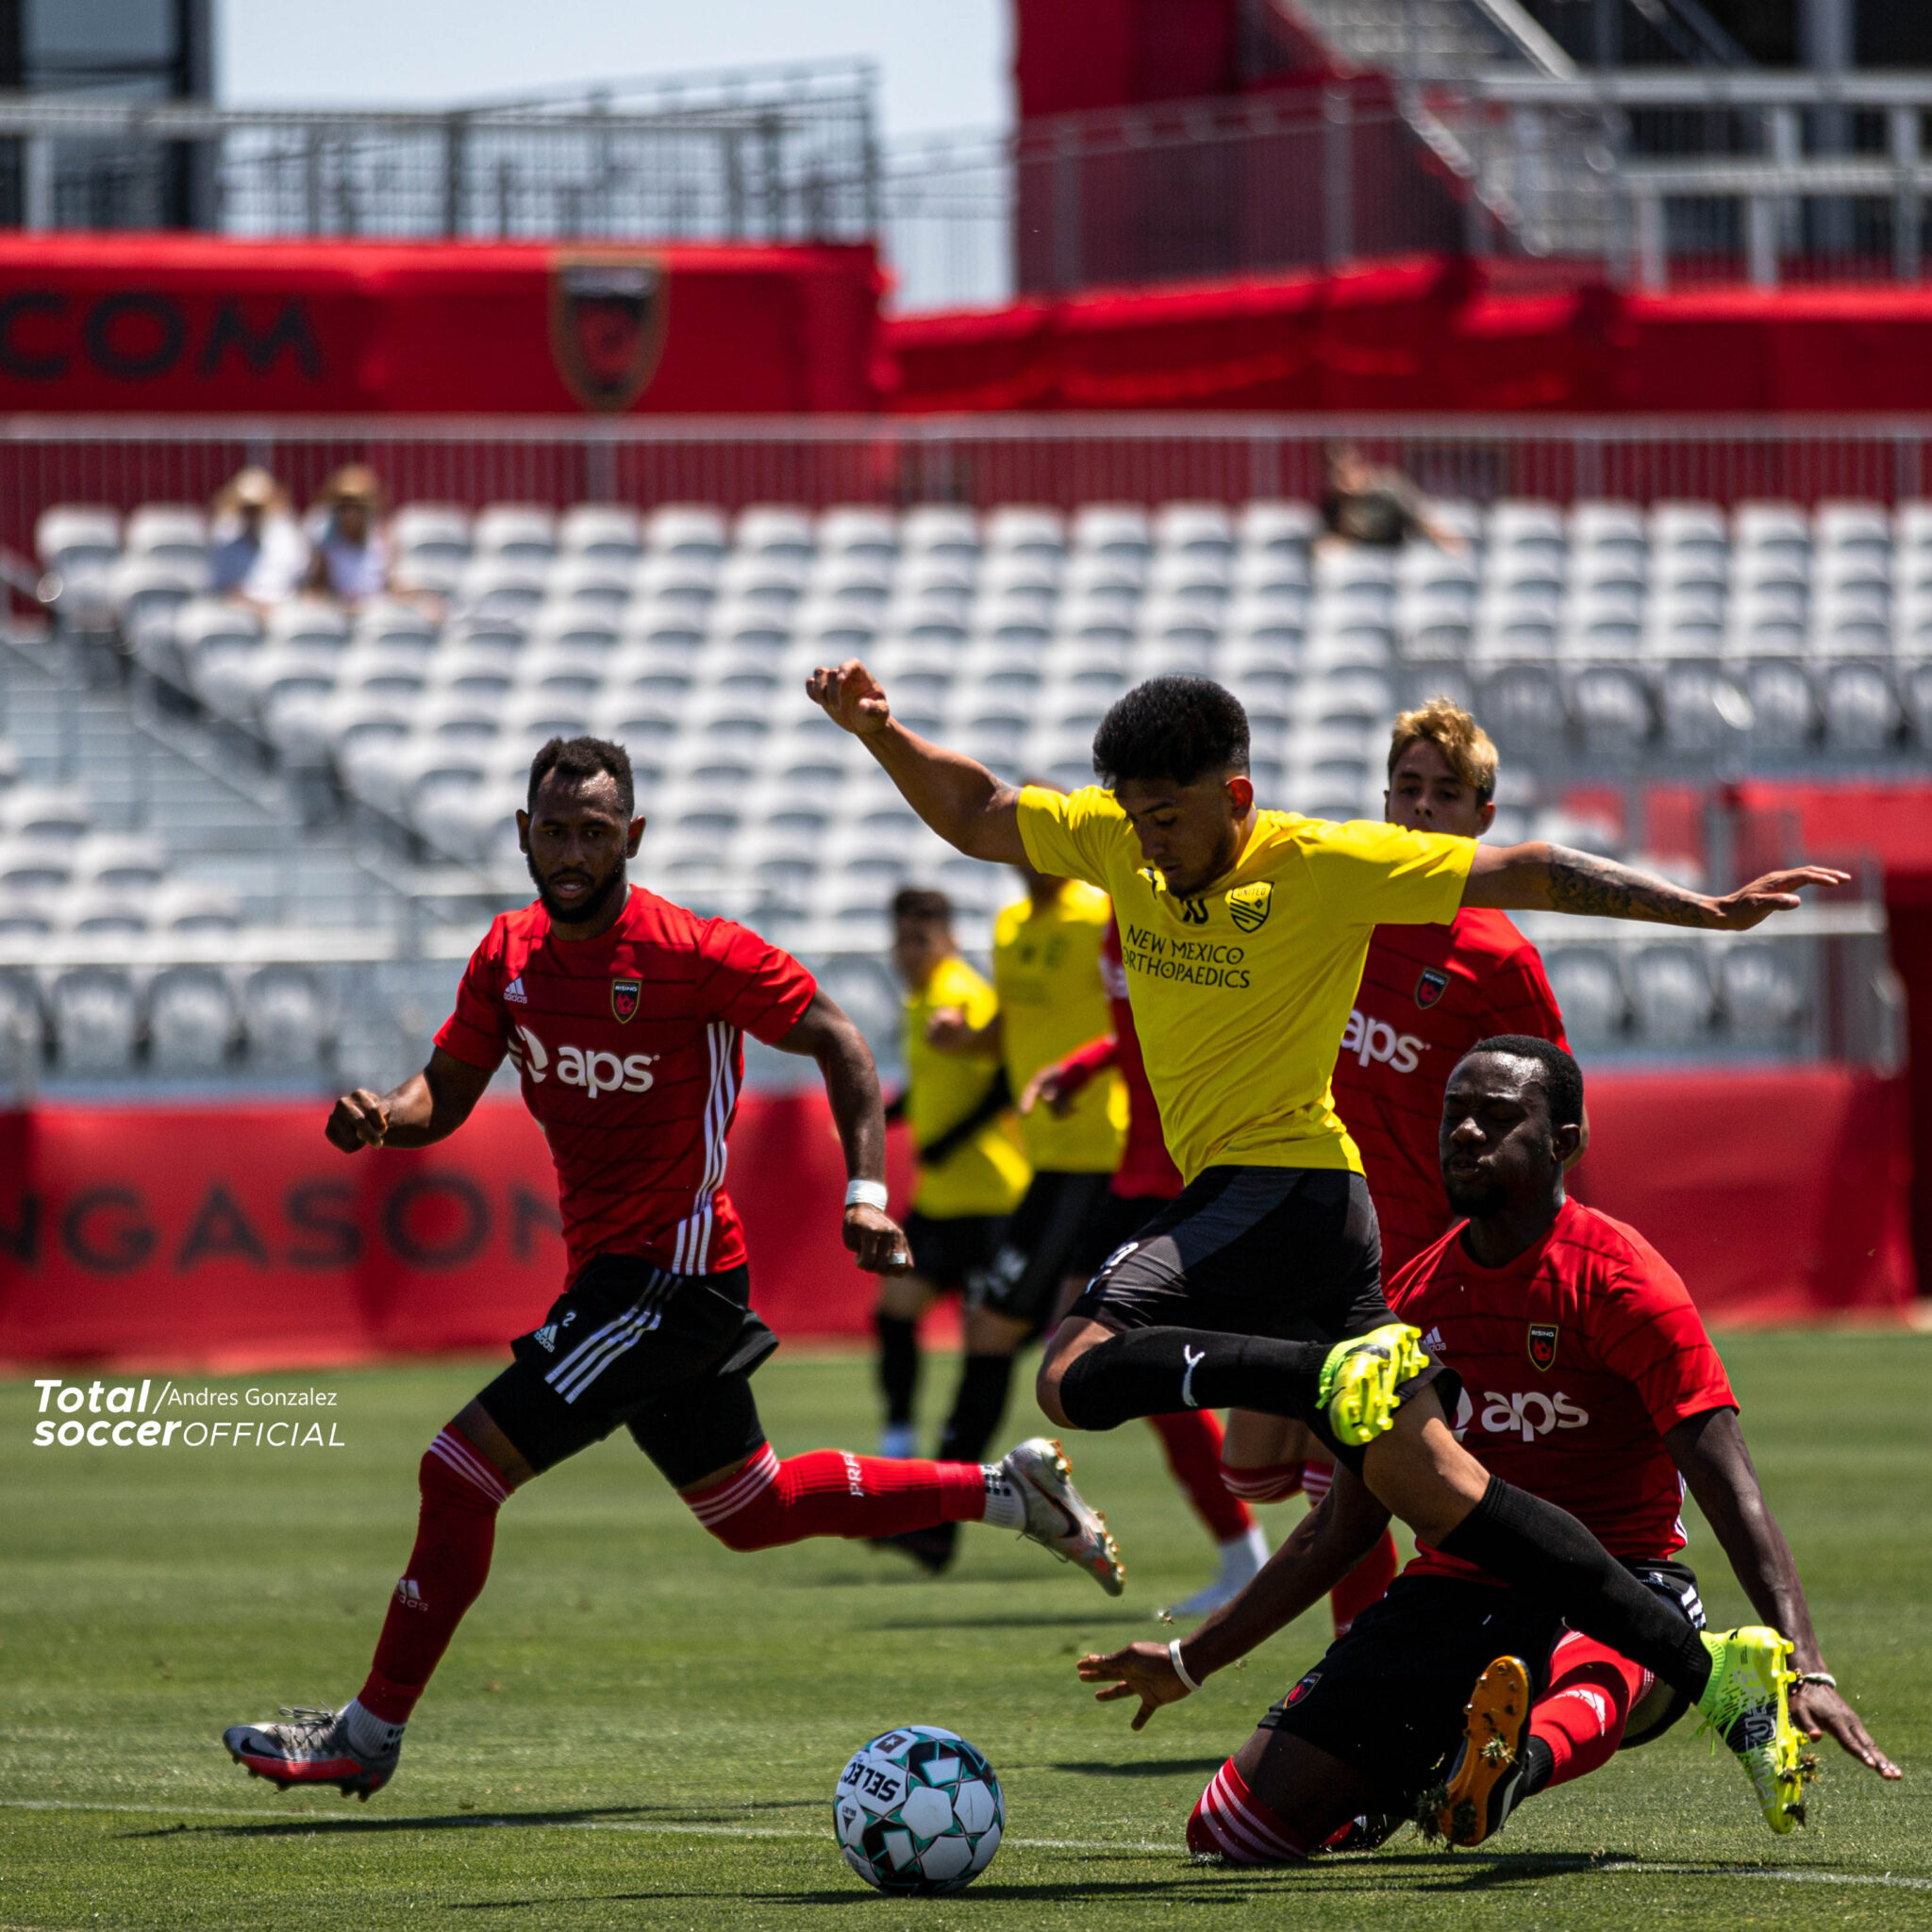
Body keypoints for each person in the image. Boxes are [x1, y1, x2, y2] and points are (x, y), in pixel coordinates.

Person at [805, 656, 1846, 1833]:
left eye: (1171, 816)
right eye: (1135, 816)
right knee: (1444, 1489)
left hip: (1283, 1184)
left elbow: (1528, 867)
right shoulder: (1112, 840)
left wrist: (1701, 910)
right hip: (1329, 1219)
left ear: (1235, 797)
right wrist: (878, 731)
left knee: (1072, 1370)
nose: (1148, 843)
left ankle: (1320, 1382)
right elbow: (979, 811)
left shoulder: (1321, 859)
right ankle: (1721, 1676)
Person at [221, 736, 1124, 1802]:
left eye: (593, 833)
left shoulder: (692, 951)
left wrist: (865, 1191)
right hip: (624, 1278)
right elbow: (445, 1092)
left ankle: (367, 1731)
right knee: (750, 1507)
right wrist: (386, 1116)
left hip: (670, 1277)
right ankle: (1002, 1492)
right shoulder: (506, 954)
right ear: (522, 833)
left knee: (456, 1468)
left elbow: (838, 1036)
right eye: (552, 830)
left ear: (631, 839)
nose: (569, 851)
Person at [1076, 1038, 1898, 1861]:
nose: (1466, 1133)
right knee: (1232, 1833)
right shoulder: (1408, 1302)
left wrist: (1811, 1668)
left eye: (1499, 1118)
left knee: (1601, 1653)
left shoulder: (1622, 1280)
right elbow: (1343, 1525)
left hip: (1621, 1586)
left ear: (1565, 1141)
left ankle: (1513, 1765)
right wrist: (1192, 1662)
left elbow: (1733, 1491)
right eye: (1455, 1114)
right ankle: (1434, 1772)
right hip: (1449, 1598)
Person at [1219, 698, 1577, 1624]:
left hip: (1414, 1262)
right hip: (1312, 1227)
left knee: (1344, 1482)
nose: (1420, 807)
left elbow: (1548, 1116)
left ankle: (1375, 1686)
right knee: (1248, 1468)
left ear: (1481, 818)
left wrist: (1525, 1251)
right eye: (1407, 788)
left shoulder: (1498, 961)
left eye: (1444, 793)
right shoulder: (1342, 907)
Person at [879, 850, 1127, 1574]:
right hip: (1049, 1162)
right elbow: (1016, 1030)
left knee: (1055, 1341)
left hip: (1099, 1153)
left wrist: (1085, 1071)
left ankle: (952, 1513)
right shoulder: (1014, 924)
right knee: (992, 1330)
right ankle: (944, 1513)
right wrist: (972, 1042)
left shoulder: (1100, 914)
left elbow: (1136, 1013)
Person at [1024, 912, 1272, 1621]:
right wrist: (1086, 1065)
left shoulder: (1195, 910)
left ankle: (1249, 1552)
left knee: (1125, 1367)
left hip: (1187, 1179)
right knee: (1079, 1365)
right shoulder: (1119, 918)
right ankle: (1242, 1552)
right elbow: (1142, 1031)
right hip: (1132, 1178)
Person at [874, 885, 1029, 1463]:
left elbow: (1007, 1079)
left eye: (922, 939)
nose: (910, 951)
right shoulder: (920, 1002)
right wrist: (885, 1116)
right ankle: (899, 1436)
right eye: (902, 939)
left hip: (993, 1195)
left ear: (950, 940)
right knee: (894, 1313)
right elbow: (933, 1087)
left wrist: (947, 1142)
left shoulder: (962, 994)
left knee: (987, 1334)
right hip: (941, 1200)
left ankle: (961, 1456)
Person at [1317, 442, 1465, 555]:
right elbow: (1337, 533)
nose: (1343, 479)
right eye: (1337, 472)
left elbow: (1419, 517)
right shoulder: (1336, 501)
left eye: (1346, 470)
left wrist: (1445, 538)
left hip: (1393, 549)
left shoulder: (1388, 487)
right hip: (1358, 551)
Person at [208, 467, 309, 610]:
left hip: (283, 610)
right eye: (246, 508)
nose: (251, 514)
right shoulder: (225, 537)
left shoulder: (287, 536)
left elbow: (299, 579)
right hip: (240, 612)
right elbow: (222, 586)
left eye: (256, 508)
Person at [303, 464, 391, 608]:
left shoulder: (383, 538)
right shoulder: (324, 540)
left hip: (373, 613)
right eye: (344, 506)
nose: (350, 513)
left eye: (358, 506)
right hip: (336, 613)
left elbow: (392, 584)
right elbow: (317, 586)